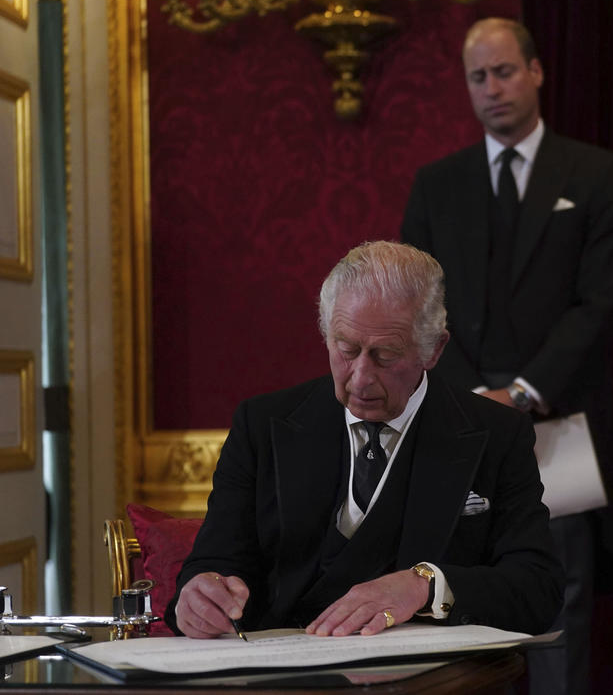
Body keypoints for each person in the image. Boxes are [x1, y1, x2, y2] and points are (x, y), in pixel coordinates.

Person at [166, 241, 563, 638]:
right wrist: (198, 598)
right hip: (285, 670)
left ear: (434, 350)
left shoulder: (497, 433)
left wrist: (425, 585)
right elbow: (214, 564)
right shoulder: (262, 425)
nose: (360, 377)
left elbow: (537, 589)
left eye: (385, 355)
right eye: (346, 349)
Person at [401, 18, 613, 694]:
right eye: (479, 77)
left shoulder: (594, 174)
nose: (493, 88)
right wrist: (477, 402)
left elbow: (600, 304)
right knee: (455, 608)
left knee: (560, 609)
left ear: (536, 72)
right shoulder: (437, 185)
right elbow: (417, 309)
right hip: (459, 425)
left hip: (556, 428)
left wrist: (523, 394)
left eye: (505, 71)